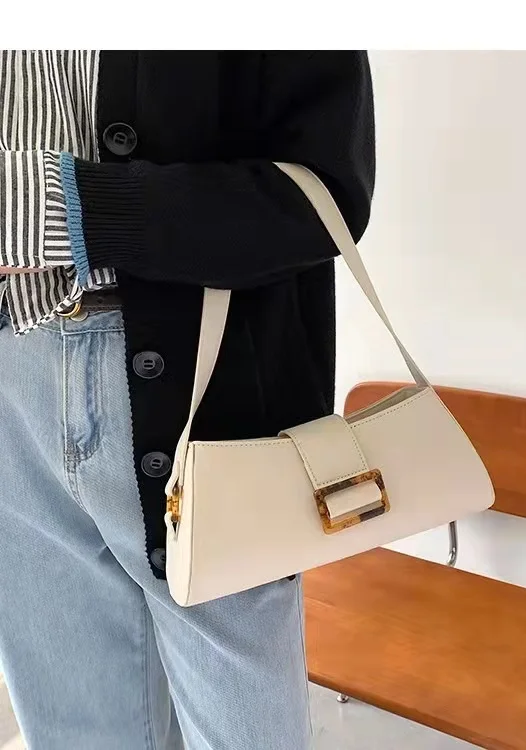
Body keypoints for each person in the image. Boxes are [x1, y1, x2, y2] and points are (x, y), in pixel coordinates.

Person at [0, 50, 375, 749]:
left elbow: (327, 192)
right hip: (10, 374)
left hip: (210, 399)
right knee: (72, 730)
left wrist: (74, 208)